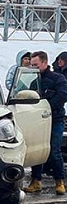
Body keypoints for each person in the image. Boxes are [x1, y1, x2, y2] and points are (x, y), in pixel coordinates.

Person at [24, 51, 67, 195]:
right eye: (32, 65)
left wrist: (47, 108)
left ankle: (59, 181)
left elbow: (63, 95)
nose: (33, 67)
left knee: (54, 150)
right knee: (38, 150)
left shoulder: (58, 78)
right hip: (39, 121)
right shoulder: (34, 82)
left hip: (55, 119)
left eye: (36, 65)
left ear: (44, 63)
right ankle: (36, 181)